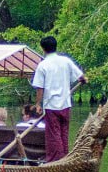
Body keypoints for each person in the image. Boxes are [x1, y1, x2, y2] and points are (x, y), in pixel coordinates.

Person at [32, 35, 86, 163]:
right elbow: (81, 77)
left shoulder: (43, 65)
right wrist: (83, 80)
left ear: (43, 49)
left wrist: (38, 104)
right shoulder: (65, 61)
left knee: (53, 135)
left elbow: (40, 88)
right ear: (55, 47)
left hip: (51, 106)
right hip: (65, 104)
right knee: (63, 134)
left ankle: (56, 161)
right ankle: (64, 159)